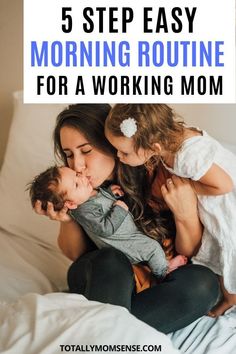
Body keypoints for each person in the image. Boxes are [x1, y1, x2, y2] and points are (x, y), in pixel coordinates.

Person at [34, 104, 219, 334]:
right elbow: (76, 255)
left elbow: (189, 251)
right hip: (105, 277)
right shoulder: (75, 191)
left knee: (204, 284)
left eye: (86, 150)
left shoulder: (158, 175)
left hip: (152, 282)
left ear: (111, 143)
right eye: (69, 155)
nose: (77, 166)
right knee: (112, 260)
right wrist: (67, 219)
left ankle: (104, 337)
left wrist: (185, 215)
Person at [105, 103, 236, 317]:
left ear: (153, 148)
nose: (119, 156)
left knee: (228, 252)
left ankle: (230, 300)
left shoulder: (186, 156)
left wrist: (188, 185)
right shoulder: (170, 142)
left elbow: (224, 185)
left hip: (227, 207)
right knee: (220, 254)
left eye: (124, 152)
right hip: (216, 201)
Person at [29, 165, 187, 278]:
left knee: (153, 246)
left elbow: (102, 200)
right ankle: (163, 272)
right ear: (71, 204)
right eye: (76, 184)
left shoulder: (88, 194)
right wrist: (119, 208)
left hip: (130, 234)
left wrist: (112, 193)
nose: (82, 178)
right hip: (124, 244)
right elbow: (105, 228)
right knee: (152, 248)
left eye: (76, 175)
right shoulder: (83, 211)